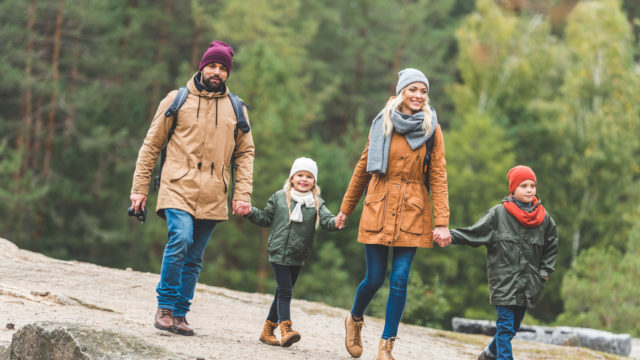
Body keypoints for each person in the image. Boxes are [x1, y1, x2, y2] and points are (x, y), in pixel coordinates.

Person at [130, 40, 255, 336]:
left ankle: (180, 315)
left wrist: (242, 194)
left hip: (214, 193)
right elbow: (151, 145)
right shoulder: (177, 99)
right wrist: (139, 189)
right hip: (177, 186)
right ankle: (165, 307)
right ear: (201, 67)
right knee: (180, 239)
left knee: (195, 256)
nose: (217, 72)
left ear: (228, 73)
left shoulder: (237, 108)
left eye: (223, 68)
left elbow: (245, 153)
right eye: (212, 65)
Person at [336, 68, 450, 359]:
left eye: (423, 91)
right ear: (402, 92)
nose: (418, 96)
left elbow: (438, 175)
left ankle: (387, 346)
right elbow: (363, 168)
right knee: (374, 278)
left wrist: (443, 222)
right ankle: (355, 318)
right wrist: (345, 210)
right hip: (379, 204)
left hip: (413, 209)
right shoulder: (382, 122)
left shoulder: (431, 128)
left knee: (399, 279)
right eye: (413, 90)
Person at [441, 165, 558, 360]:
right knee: (504, 328)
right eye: (523, 186)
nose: (529, 190)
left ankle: (488, 354)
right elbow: (474, 233)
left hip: (529, 284)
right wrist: (449, 236)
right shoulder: (498, 214)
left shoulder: (545, 219)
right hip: (503, 282)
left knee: (512, 328)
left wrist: (543, 274)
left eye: (532, 185)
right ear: (513, 189)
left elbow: (551, 248)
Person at [243, 157, 342, 347]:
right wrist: (249, 211)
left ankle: (267, 331)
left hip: (298, 254)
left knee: (281, 292)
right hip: (278, 250)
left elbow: (328, 220)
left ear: (314, 181)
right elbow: (265, 218)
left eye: (309, 176)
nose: (304, 179)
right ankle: (286, 329)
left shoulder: (316, 202)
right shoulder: (280, 197)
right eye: (300, 175)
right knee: (286, 291)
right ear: (292, 178)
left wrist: (337, 223)